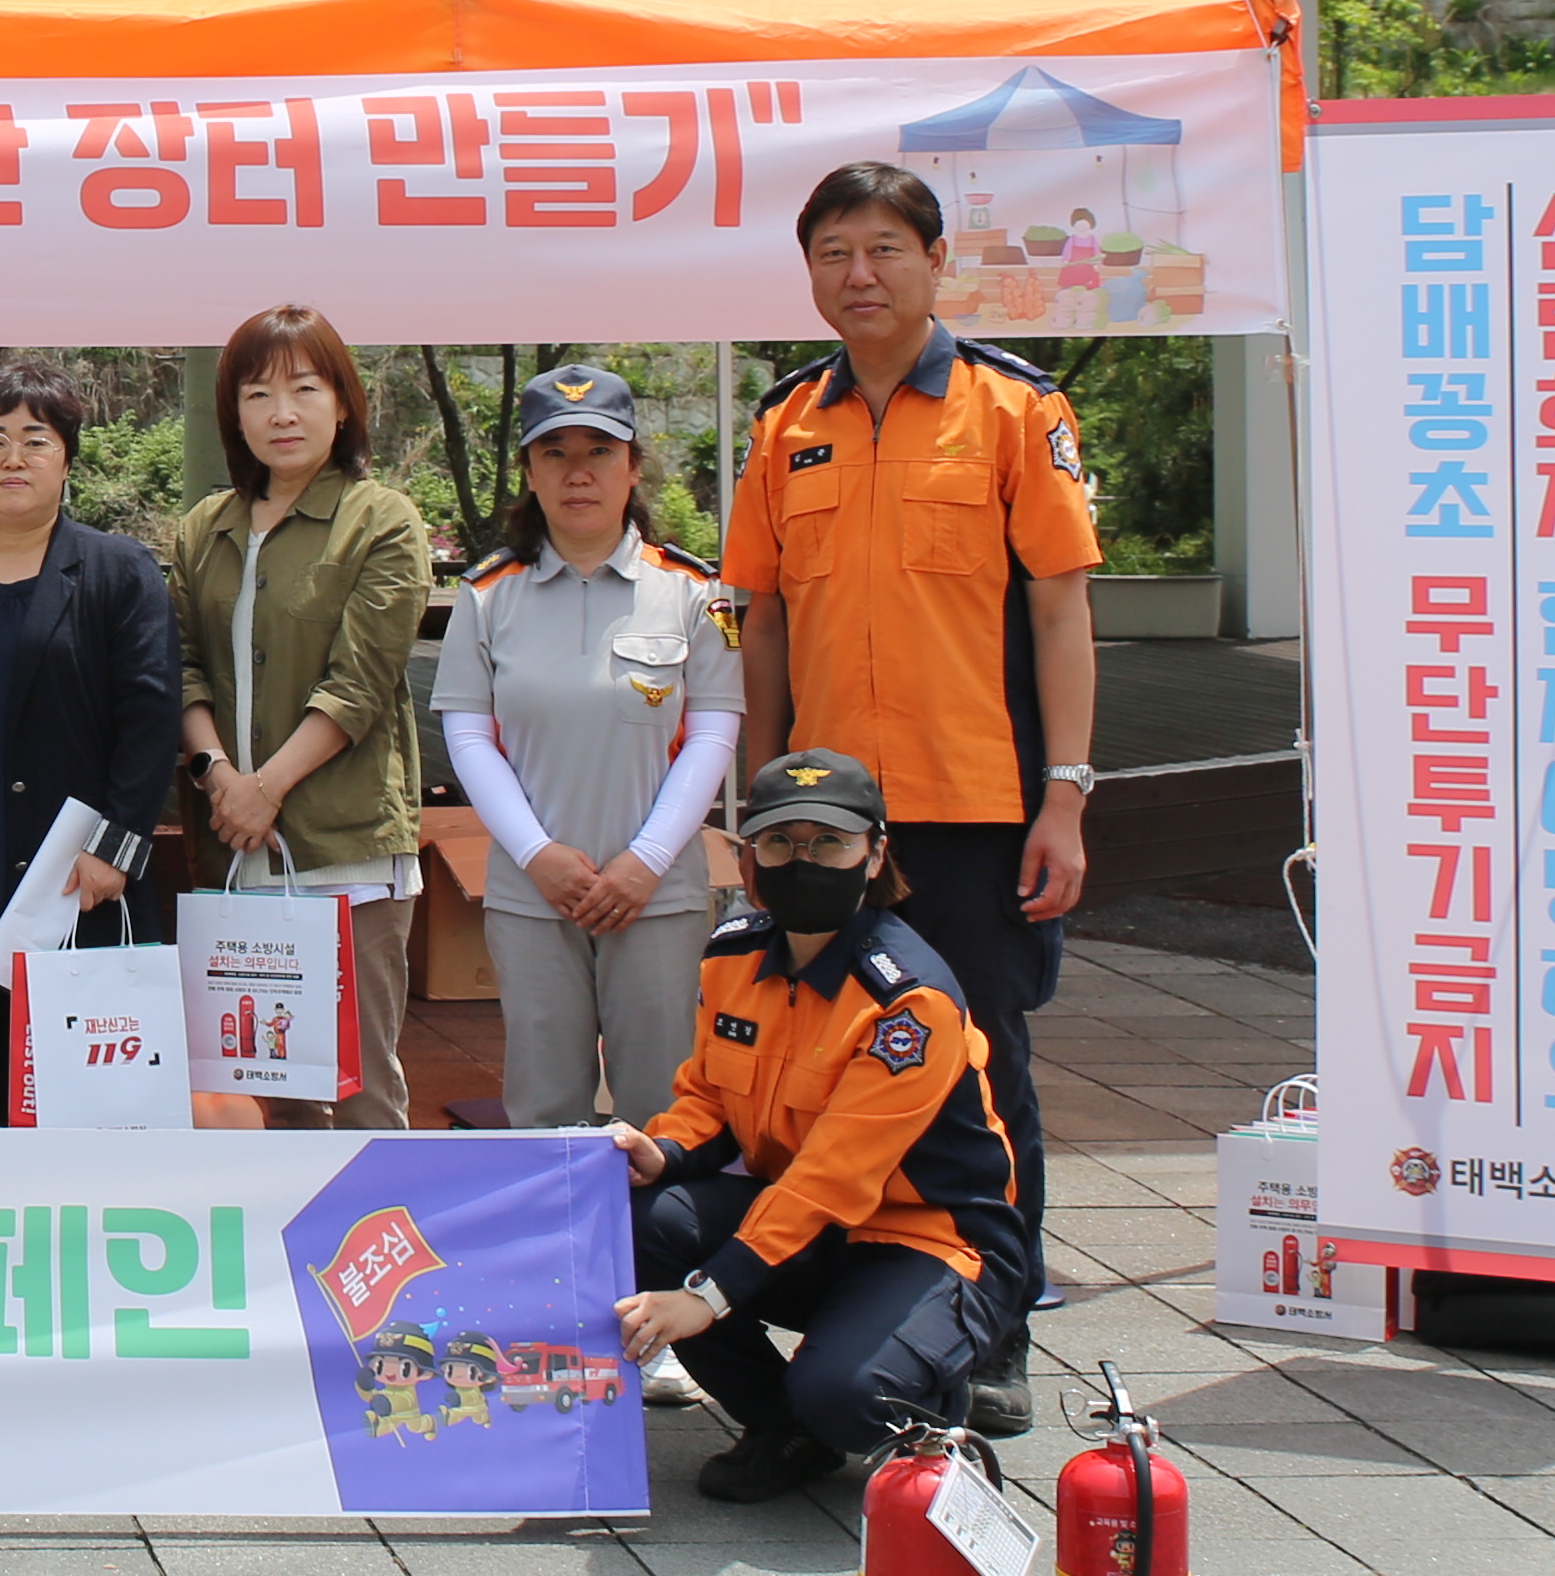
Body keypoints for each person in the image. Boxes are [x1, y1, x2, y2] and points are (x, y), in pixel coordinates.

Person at [722, 158, 1102, 1435]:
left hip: (979, 806)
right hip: (824, 821)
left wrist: (1066, 797)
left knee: (985, 1073)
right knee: (827, 1059)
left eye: (885, 248)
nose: (860, 275)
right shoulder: (788, 422)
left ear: (938, 261)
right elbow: (765, 622)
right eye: (834, 253)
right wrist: (757, 806)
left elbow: (1061, 610)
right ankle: (861, 1305)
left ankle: (997, 1332)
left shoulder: (1013, 408)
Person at [609, 747, 1030, 1504]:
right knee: (640, 1218)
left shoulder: (908, 1003)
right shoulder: (733, 956)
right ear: (749, 858)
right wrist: (663, 1151)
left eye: (830, 843)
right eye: (780, 842)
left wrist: (707, 1296)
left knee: (846, 1394)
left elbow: (832, 1175)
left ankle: (923, 1391)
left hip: (930, 1241)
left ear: (875, 855)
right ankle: (783, 1430)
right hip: (811, 1233)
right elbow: (710, 1099)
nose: (803, 862)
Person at [437, 366, 745, 1133]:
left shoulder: (694, 592)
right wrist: (537, 853)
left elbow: (714, 730)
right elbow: (468, 734)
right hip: (533, 891)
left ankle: (661, 1221)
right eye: (556, 453)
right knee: (543, 1105)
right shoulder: (486, 596)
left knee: (664, 1106)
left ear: (633, 466)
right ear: (529, 472)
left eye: (600, 452)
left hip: (657, 891)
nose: (579, 473)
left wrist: (647, 859)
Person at [0, 359, 181, 1130]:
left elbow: (151, 719)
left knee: (92, 1095)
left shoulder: (118, 571)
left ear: (67, 459)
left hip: (80, 872)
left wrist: (115, 847)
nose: (13, 458)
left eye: (35, 440)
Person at [163, 307, 438, 1130]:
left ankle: (376, 1219)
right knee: (271, 1085)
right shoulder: (203, 530)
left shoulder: (381, 519)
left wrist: (266, 789)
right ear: (235, 414)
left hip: (342, 847)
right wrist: (218, 775)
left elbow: (360, 682)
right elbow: (180, 667)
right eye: (258, 394)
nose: (281, 414)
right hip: (236, 847)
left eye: (305, 390)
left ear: (343, 404)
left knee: (360, 1088)